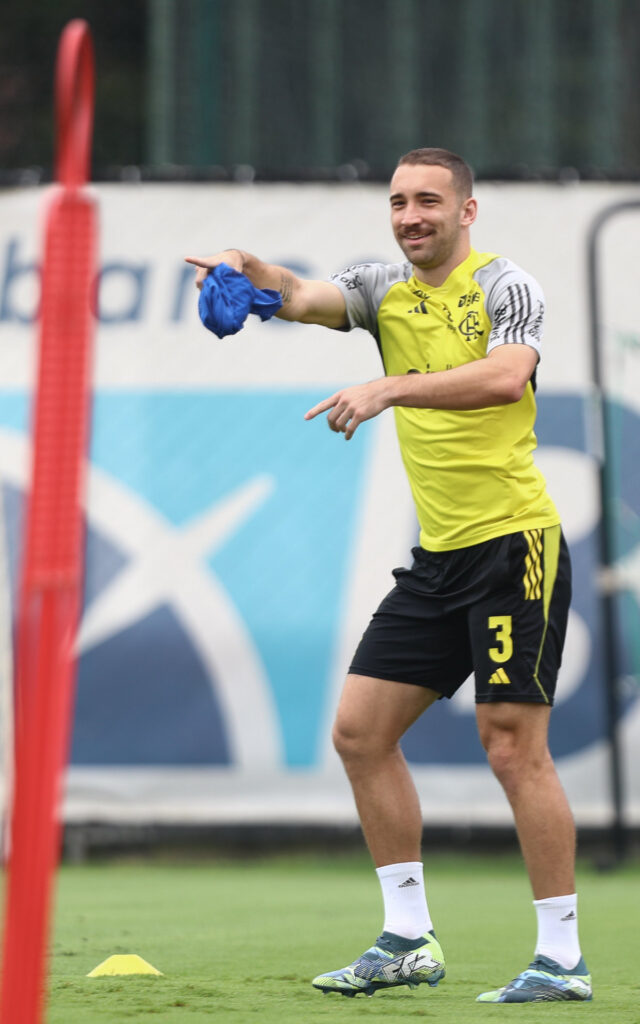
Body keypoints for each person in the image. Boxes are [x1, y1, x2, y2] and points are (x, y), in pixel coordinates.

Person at [185, 147, 591, 1004]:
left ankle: (561, 957)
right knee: (361, 733)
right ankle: (407, 939)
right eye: (400, 201)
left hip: (516, 545)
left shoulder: (505, 286)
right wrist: (245, 267)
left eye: (429, 202)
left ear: (467, 212)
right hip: (440, 558)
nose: (412, 216)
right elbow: (296, 295)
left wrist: (390, 387)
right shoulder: (382, 289)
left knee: (513, 748)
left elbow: (507, 377)